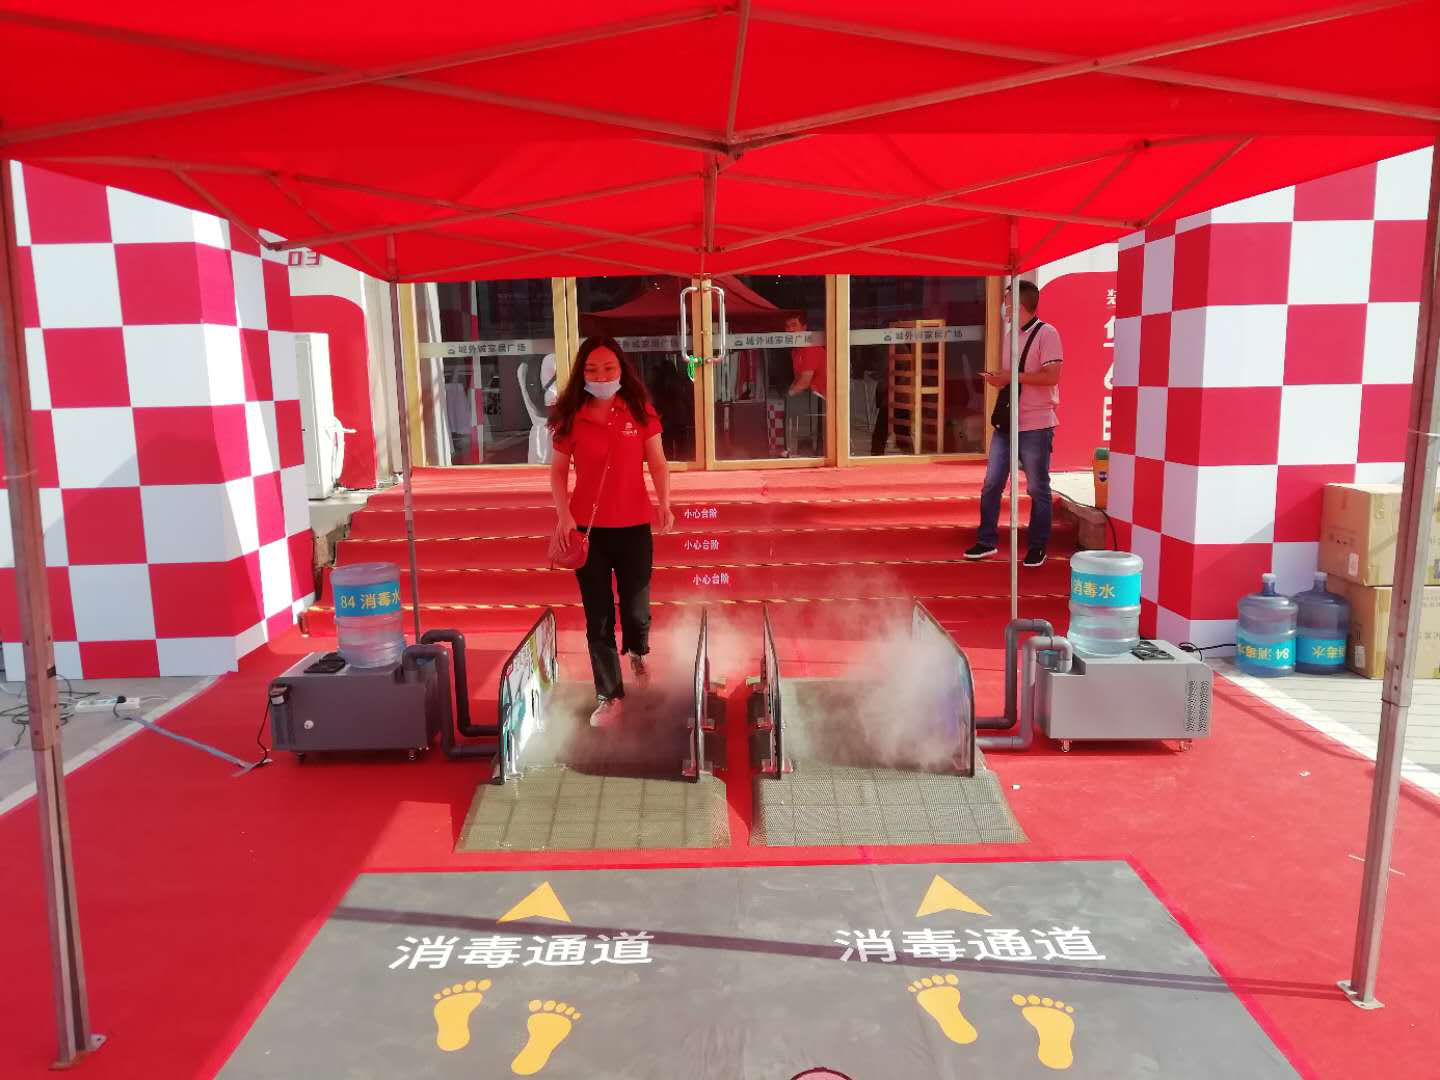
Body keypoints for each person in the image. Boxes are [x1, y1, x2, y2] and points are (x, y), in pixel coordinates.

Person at [550, 336, 674, 726]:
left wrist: (664, 502)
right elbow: (557, 471)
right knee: (599, 617)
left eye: (608, 368)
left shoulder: (639, 410)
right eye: (592, 369)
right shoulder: (571, 416)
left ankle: (637, 652)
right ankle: (609, 694)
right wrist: (563, 516)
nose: (601, 376)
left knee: (636, 611)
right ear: (581, 373)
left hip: (634, 526)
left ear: (622, 369)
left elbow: (658, 463)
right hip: (589, 533)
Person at [967, 280, 1063, 568]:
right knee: (992, 483)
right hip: (1008, 421)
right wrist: (1000, 378)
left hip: (1036, 423)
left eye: (1007, 302)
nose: (1004, 307)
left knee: (1037, 487)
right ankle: (986, 540)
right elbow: (1014, 377)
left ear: (1020, 305)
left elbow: (1051, 376)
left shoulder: (1047, 333)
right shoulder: (1011, 335)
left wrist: (1011, 377)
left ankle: (1037, 546)